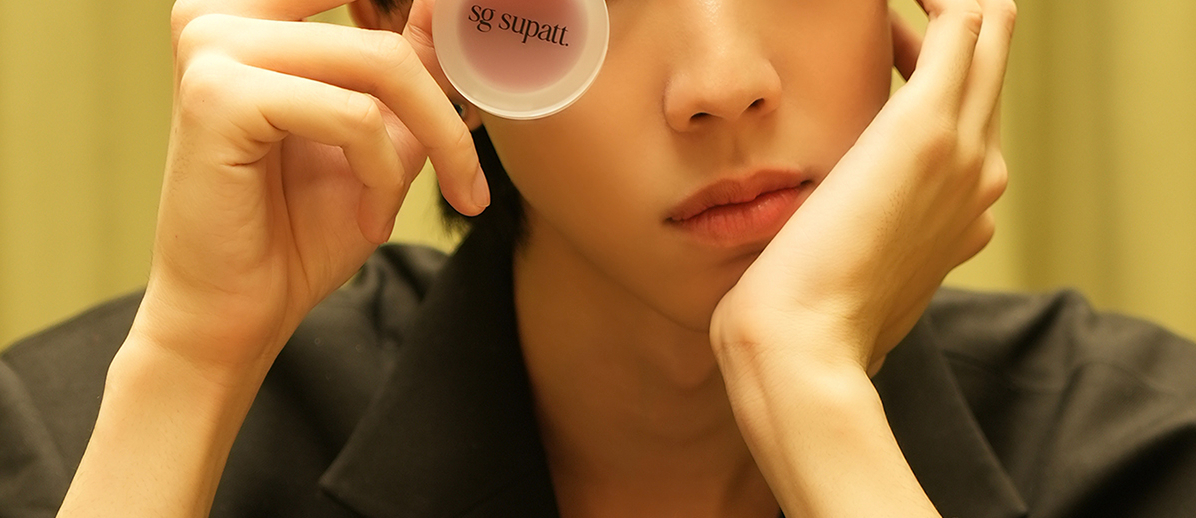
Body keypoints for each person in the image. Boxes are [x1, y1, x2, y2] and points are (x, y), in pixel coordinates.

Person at [3, 0, 1196, 516]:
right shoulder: (90, 446)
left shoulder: (1142, 453)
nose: (721, 82)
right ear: (411, 34)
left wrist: (813, 394)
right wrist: (192, 361)